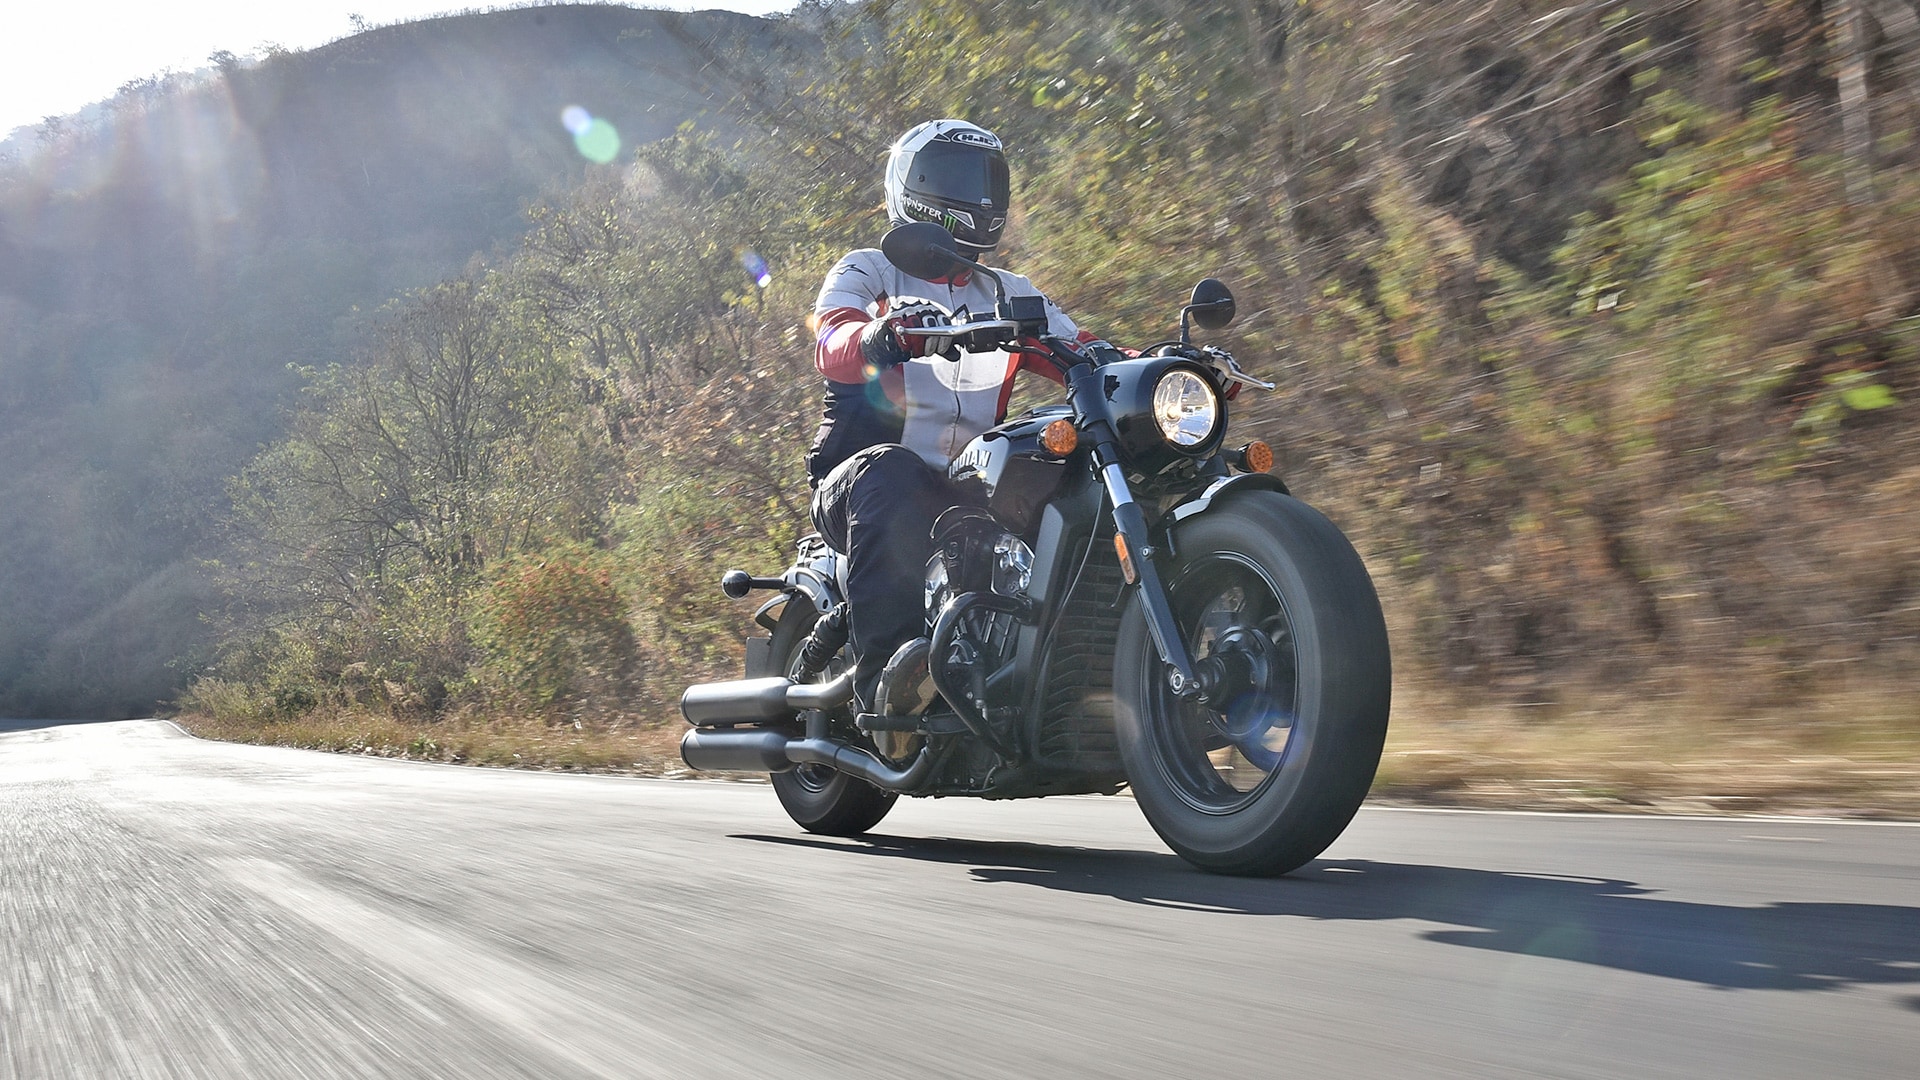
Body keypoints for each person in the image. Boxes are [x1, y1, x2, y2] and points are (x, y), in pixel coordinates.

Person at [807, 119, 1102, 713]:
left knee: (1067, 468)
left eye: (986, 180)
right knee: (892, 473)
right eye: (957, 179)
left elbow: (1087, 352)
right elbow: (831, 342)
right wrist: (880, 336)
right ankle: (886, 682)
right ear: (914, 186)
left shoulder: (1008, 290)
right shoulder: (868, 269)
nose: (978, 195)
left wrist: (1166, 368)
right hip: (859, 483)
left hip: (970, 489)